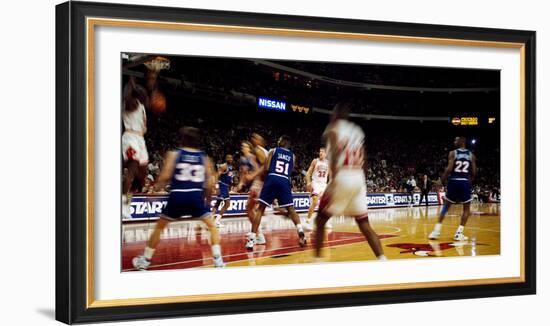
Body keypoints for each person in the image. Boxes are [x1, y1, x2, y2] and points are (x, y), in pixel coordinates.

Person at [132, 127, 225, 270]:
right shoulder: (204, 158)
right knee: (212, 226)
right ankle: (218, 261)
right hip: (195, 196)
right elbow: (210, 183)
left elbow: (165, 176)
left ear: (182, 139)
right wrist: (207, 200)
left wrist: (154, 190)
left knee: (159, 227)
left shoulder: (174, 154)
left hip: (177, 196)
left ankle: (145, 261)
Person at [314, 102, 386, 261]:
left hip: (343, 177)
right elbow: (365, 159)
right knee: (364, 225)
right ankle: (383, 260)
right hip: (358, 178)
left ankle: (317, 263)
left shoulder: (333, 128)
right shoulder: (357, 131)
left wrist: (334, 183)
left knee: (320, 221)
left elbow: (333, 158)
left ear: (335, 114)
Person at [246, 135, 306, 250]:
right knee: (291, 209)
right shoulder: (292, 156)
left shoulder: (273, 151)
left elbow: (266, 168)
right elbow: (290, 170)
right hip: (284, 180)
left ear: (282, 142)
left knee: (260, 209)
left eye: (279, 140)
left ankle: (252, 240)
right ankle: (301, 232)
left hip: (272, 178)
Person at [429, 136, 477, 241]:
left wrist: (441, 180)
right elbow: (474, 172)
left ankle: (436, 231)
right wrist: (469, 180)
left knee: (446, 206)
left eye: (456, 140)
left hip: (453, 180)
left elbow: (449, 169)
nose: (454, 141)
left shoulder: (453, 153)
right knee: (466, 208)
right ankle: (459, 233)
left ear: (462, 141)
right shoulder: (471, 155)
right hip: (464, 182)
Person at [121, 77, 150, 219]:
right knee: (132, 171)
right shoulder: (129, 102)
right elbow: (127, 94)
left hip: (140, 139)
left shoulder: (141, 106)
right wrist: (130, 83)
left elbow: (145, 128)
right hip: (130, 137)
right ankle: (122, 204)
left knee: (141, 177)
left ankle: (127, 204)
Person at [305, 147, 330, 229]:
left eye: (322, 151)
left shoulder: (328, 163)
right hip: (315, 182)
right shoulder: (315, 161)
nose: (321, 153)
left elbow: (331, 176)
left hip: (323, 184)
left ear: (326, 154)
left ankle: (324, 222)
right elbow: (308, 173)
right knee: (315, 201)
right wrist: (308, 182)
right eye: (320, 151)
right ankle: (308, 221)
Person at [212, 154, 234, 227]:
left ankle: (216, 220)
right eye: (228, 157)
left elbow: (228, 177)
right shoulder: (224, 166)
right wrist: (217, 187)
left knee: (227, 204)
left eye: (231, 158)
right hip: (221, 186)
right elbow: (216, 175)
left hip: (225, 187)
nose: (230, 159)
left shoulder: (231, 167)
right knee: (218, 204)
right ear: (226, 159)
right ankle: (214, 221)